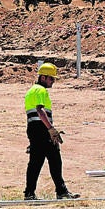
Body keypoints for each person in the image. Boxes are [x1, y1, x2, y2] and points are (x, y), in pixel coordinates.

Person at [24, 62, 79, 200]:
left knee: (36, 162)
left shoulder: (32, 90)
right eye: (51, 78)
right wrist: (50, 129)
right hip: (42, 129)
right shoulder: (40, 90)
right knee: (55, 160)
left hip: (34, 129)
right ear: (43, 78)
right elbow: (40, 110)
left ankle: (29, 193)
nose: (53, 81)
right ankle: (61, 192)